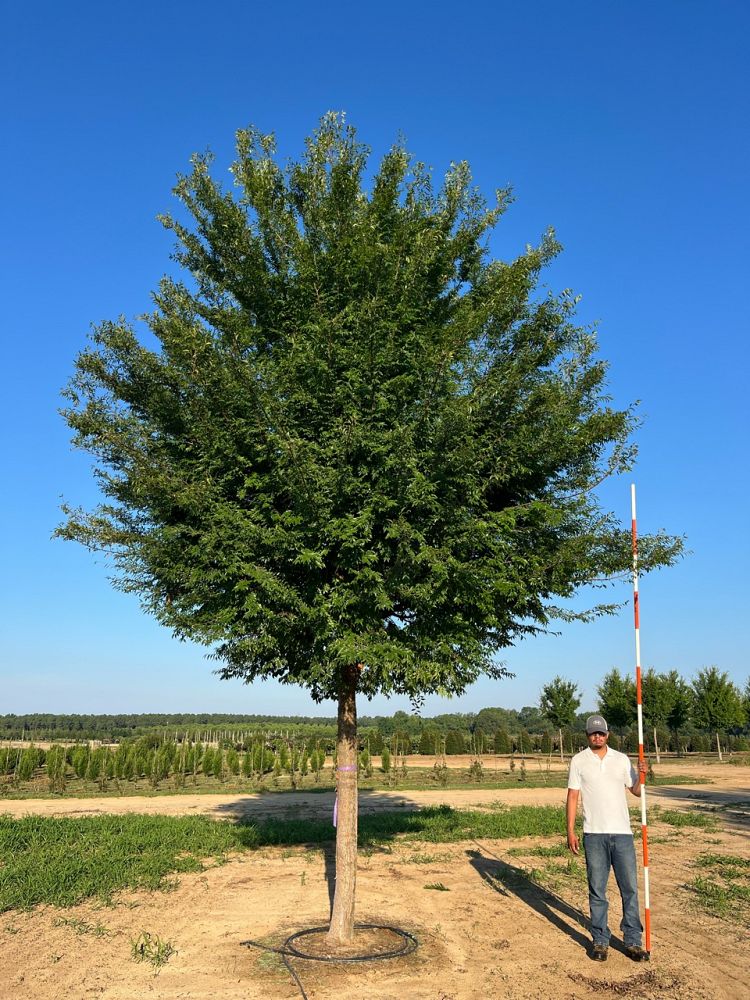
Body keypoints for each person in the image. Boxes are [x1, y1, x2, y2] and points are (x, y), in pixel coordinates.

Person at [566, 714, 649, 962]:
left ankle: (633, 941)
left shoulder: (621, 760)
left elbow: (635, 791)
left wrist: (643, 775)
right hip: (594, 834)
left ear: (608, 735)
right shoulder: (578, 761)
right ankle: (600, 940)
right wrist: (570, 830)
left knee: (630, 890)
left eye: (601, 733)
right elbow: (572, 797)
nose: (597, 736)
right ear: (587, 735)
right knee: (597, 891)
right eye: (593, 733)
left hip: (622, 834)